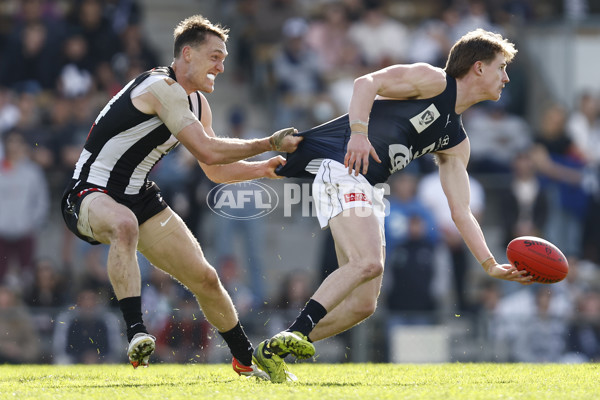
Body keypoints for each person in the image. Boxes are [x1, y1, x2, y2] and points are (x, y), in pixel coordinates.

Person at [260, 29, 533, 381]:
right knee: (369, 261)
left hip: (369, 185)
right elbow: (365, 82)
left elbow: (461, 211)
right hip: (342, 166)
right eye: (501, 68)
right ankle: (295, 332)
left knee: (363, 305)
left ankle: (271, 352)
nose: (506, 77)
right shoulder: (435, 81)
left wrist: (490, 264)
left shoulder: (457, 143)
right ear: (478, 68)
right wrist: (359, 133)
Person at [60, 14, 301, 380]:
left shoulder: (198, 103)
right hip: (88, 193)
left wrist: (262, 168)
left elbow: (214, 169)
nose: (221, 66)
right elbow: (208, 149)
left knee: (205, 279)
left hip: (138, 197)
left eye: (223, 58)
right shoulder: (160, 87)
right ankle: (136, 331)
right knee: (123, 225)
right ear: (187, 54)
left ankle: (246, 362)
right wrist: (267, 143)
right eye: (215, 56)